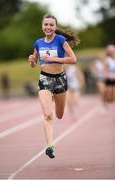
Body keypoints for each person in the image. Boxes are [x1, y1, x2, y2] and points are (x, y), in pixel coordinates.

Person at [28, 14, 80, 159]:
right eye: (46, 24)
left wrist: (53, 59)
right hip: (44, 79)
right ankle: (50, 146)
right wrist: (32, 60)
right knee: (48, 115)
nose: (48, 27)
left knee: (59, 114)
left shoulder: (61, 40)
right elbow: (34, 64)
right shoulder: (38, 43)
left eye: (51, 25)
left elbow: (73, 59)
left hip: (60, 80)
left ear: (55, 27)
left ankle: (58, 107)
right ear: (42, 26)